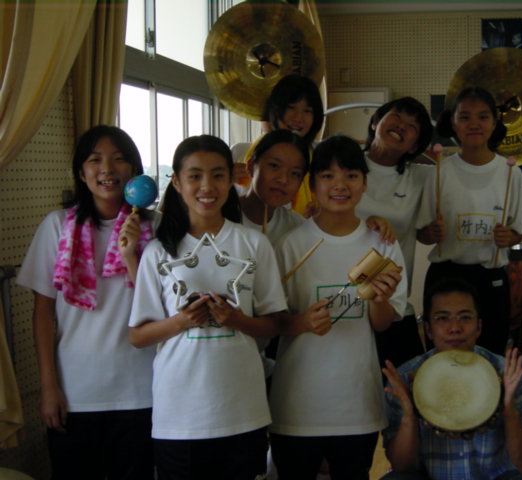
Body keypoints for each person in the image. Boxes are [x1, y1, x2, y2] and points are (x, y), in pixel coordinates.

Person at [128, 135, 288, 479]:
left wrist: (238, 320)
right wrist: (182, 321)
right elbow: (138, 336)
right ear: (177, 182)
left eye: (217, 175)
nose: (207, 186)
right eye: (195, 175)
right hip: (178, 416)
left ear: (231, 180)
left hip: (243, 411)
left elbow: (275, 324)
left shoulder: (253, 244)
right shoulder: (158, 251)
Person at [17, 125, 155, 479]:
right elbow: (43, 313)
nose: (107, 169)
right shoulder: (56, 226)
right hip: (75, 393)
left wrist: (132, 255)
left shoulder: (155, 230)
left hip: (143, 392)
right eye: (95, 160)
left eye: (119, 159)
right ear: (81, 172)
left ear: (134, 171)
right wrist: (48, 387)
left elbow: (161, 306)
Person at [269, 135, 408, 480]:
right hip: (296, 402)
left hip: (356, 402)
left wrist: (379, 299)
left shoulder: (382, 244)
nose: (340, 185)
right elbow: (271, 322)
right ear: (313, 184)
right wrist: (302, 323)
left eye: (351, 175)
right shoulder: (291, 244)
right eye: (328, 176)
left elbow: (381, 324)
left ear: (364, 183)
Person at [381, 278, 522, 480]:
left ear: (479, 327)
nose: (455, 327)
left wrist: (509, 409)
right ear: (428, 330)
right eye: (442, 318)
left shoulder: (510, 375)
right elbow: (401, 466)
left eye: (465, 317)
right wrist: (409, 415)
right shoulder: (404, 378)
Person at [418, 86, 522, 355]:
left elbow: (518, 233)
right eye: (465, 117)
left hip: (491, 277)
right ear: (453, 123)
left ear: (494, 123)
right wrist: (431, 233)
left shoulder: (511, 173)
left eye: (483, 116)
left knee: (491, 355)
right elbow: (422, 234)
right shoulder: (439, 171)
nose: (474, 124)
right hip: (446, 276)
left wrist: (509, 237)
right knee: (444, 357)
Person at [358, 97, 434, 368]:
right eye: (396, 117)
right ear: (375, 122)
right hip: (344, 299)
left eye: (412, 126)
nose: (401, 126)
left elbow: (425, 234)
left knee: (404, 386)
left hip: (392, 303)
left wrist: (435, 232)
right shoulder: (345, 165)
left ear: (414, 145)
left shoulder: (423, 177)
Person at [232, 74, 325, 215]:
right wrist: (223, 180)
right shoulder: (239, 153)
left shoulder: (322, 159)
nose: (298, 118)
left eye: (307, 111)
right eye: (291, 107)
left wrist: (315, 221)